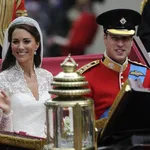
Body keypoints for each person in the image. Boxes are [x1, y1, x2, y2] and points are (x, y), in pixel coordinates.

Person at [77, 9, 150, 120]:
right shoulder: (86, 78)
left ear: (131, 41)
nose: (120, 44)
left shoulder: (147, 74)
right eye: (115, 38)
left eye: (125, 38)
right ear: (105, 39)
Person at [0, 16, 53, 138]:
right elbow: (2, 135)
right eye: (15, 41)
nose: (20, 47)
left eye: (26, 41)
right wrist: (7, 112)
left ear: (37, 44)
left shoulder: (47, 76)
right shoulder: (3, 79)